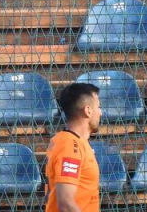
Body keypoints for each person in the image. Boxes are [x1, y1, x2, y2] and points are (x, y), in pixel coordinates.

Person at [44, 82, 101, 212]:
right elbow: (66, 204)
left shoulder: (75, 142)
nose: (100, 113)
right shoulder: (70, 146)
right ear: (88, 110)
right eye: (98, 107)